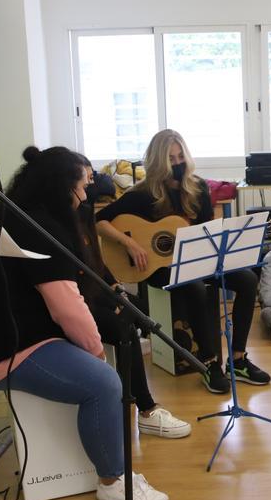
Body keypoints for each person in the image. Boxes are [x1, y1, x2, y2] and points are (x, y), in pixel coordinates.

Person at [0, 146, 171, 500]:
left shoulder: (14, 215)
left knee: (99, 361)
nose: (86, 196)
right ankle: (113, 480)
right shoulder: (40, 229)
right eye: (81, 187)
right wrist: (97, 353)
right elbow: (67, 307)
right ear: (59, 187)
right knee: (103, 383)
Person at [95, 129, 270, 393]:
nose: (177, 163)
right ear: (158, 162)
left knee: (247, 279)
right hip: (157, 267)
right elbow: (99, 220)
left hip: (196, 260)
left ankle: (238, 360)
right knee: (195, 286)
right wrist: (128, 243)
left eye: (180, 156)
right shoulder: (143, 194)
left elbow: (206, 233)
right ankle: (209, 364)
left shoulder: (198, 188)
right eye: (170, 159)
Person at [74, 175, 191, 439]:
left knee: (134, 309)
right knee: (124, 323)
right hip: (70, 302)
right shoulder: (60, 221)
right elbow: (72, 276)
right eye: (86, 181)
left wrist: (115, 288)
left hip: (85, 292)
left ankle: (130, 397)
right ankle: (146, 409)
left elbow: (93, 264)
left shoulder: (81, 212)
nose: (90, 188)